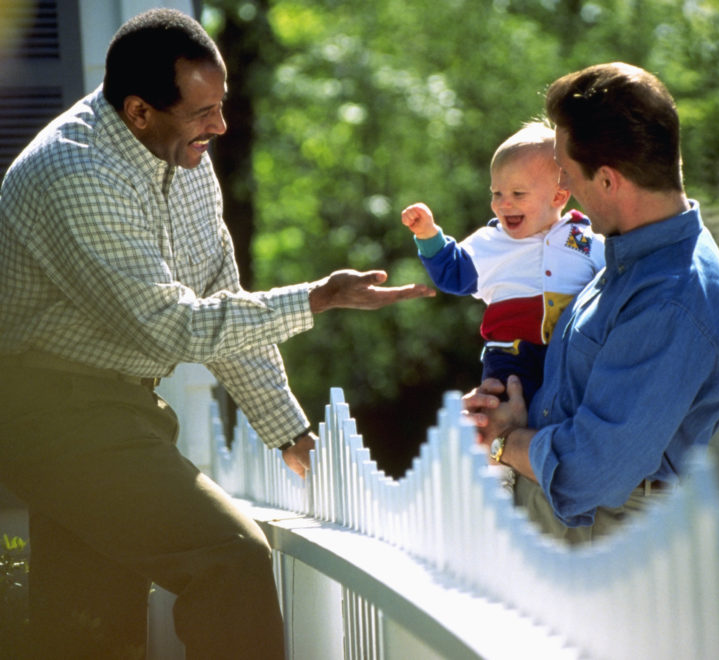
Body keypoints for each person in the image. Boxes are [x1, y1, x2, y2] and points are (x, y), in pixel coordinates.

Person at [0, 8, 431, 659]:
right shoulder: (76, 174)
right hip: (52, 408)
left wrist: (290, 432)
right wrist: (317, 297)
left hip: (115, 404)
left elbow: (219, 298)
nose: (220, 125)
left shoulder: (183, 156)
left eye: (221, 103)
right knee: (229, 559)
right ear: (140, 111)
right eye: (202, 111)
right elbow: (168, 324)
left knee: (87, 632)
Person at [463, 62, 719, 545]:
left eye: (569, 176)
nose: (565, 194)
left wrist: (506, 442)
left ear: (610, 181)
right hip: (573, 549)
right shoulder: (622, 262)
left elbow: (589, 472)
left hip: (606, 563)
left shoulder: (671, 298)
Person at [401, 121, 604, 405]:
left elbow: (615, 274)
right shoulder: (491, 241)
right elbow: (453, 274)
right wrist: (428, 235)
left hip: (571, 353)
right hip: (511, 357)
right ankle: (503, 442)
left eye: (518, 194)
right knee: (505, 409)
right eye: (497, 193)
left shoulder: (580, 236)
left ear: (558, 196)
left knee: (575, 411)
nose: (503, 203)